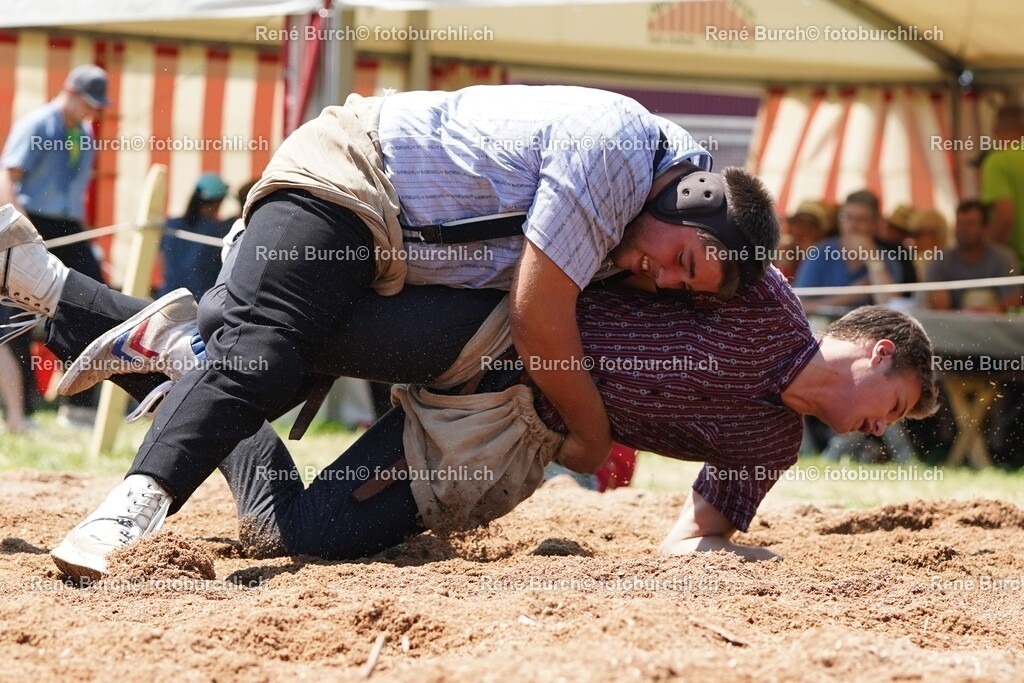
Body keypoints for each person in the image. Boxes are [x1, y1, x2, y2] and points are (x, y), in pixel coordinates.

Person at [0, 202, 936, 576]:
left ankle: (154, 340)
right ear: (874, 354)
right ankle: (52, 288)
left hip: (505, 437)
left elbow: (693, 537)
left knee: (297, 537)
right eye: (888, 410)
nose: (871, 429)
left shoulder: (770, 447)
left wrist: (734, 558)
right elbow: (622, 238)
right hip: (490, 325)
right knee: (274, 343)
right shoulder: (755, 287)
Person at [0, 64, 111, 427]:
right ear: (70, 90)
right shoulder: (37, 124)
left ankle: (78, 406)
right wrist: (17, 231)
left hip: (69, 224)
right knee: (16, 310)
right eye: (89, 103)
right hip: (33, 219)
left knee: (93, 303)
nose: (92, 111)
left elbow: (77, 195)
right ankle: (22, 409)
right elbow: (8, 176)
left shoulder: (84, 135)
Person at [794, 190, 904, 312]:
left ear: (876, 224)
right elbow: (797, 307)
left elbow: (892, 307)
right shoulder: (820, 253)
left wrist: (872, 258)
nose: (853, 225)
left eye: (861, 219)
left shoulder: (887, 261)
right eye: (846, 217)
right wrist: (850, 296)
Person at [925, 200, 1021, 312]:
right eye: (959, 223)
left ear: (985, 228)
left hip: (994, 326)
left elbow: (1013, 301)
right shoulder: (940, 260)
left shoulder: (1003, 259)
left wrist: (992, 311)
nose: (962, 229)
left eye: (970, 224)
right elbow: (938, 307)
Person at [158, 173, 231, 300]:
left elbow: (162, 262)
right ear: (219, 201)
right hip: (200, 301)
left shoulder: (170, 224)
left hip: (167, 298)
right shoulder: (221, 229)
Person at [980, 103, 1024, 266]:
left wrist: (990, 259)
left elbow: (1004, 216)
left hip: (1017, 262)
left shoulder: (998, 162)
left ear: (995, 129)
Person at [776, 200, 826, 281]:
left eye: (811, 225)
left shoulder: (826, 258)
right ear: (791, 227)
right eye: (800, 222)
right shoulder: (777, 253)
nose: (804, 229)